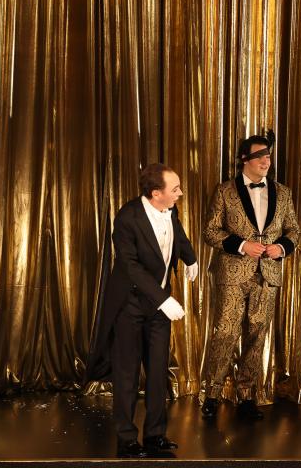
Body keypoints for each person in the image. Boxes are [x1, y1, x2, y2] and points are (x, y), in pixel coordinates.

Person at [85, 163, 199, 458]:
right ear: (156, 193)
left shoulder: (169, 209)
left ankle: (155, 435)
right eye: (175, 189)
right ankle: (126, 438)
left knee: (158, 371)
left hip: (158, 307)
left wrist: (190, 258)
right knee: (128, 374)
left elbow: (177, 233)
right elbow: (130, 266)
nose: (180, 193)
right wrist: (163, 299)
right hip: (130, 305)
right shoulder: (128, 218)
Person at [201, 132, 300, 421]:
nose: (266, 161)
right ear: (245, 159)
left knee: (257, 335)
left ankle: (246, 396)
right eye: (260, 156)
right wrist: (242, 245)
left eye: (268, 156)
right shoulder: (225, 191)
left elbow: (294, 230)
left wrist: (281, 247)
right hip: (233, 273)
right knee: (226, 332)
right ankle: (212, 394)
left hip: (267, 275)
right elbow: (210, 231)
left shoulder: (283, 193)